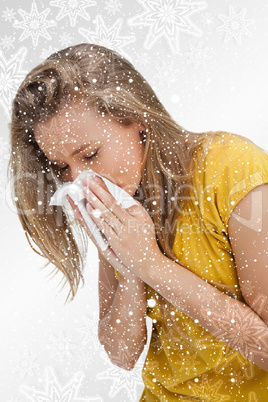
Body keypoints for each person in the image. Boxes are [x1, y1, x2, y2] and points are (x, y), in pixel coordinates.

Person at [9, 43, 268, 400]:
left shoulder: (231, 169)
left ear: (137, 118)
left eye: (89, 154)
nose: (81, 182)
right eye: (63, 168)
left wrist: (150, 264)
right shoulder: (120, 203)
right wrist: (128, 268)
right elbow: (122, 354)